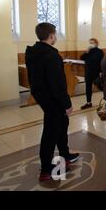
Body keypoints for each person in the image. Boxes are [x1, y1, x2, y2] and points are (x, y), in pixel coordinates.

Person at [25, 23, 79, 181]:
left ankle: (65, 154)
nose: (56, 37)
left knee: (62, 124)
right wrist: (66, 104)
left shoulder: (34, 52)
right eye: (55, 34)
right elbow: (57, 84)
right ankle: (46, 169)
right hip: (53, 99)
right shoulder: (51, 55)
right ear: (51, 36)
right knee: (50, 132)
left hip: (42, 96)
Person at [80, 38, 104, 110]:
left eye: (92, 43)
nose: (91, 44)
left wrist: (101, 72)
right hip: (88, 72)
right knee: (88, 88)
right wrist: (86, 52)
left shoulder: (99, 51)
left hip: (96, 72)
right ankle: (88, 102)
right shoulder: (88, 51)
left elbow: (98, 60)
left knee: (100, 86)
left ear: (96, 44)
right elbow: (82, 58)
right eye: (90, 43)